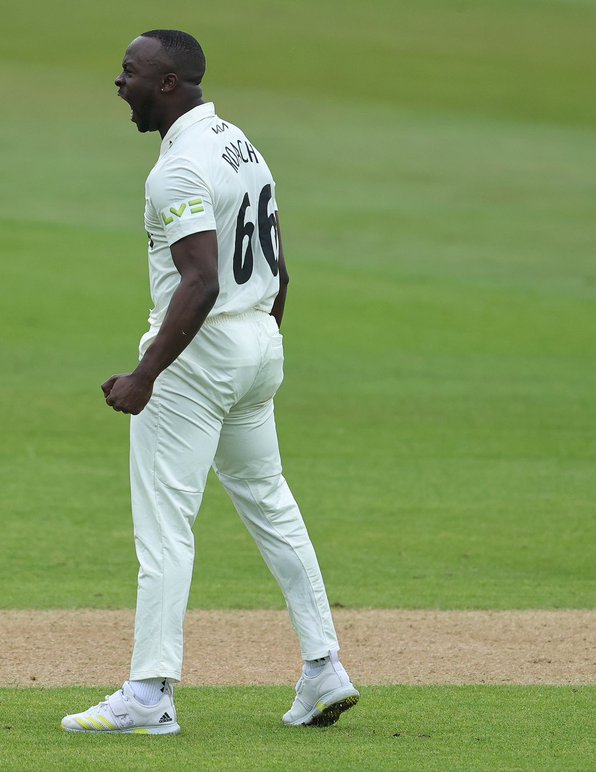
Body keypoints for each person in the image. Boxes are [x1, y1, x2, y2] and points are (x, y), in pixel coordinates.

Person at [61, 30, 358, 735]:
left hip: (201, 352)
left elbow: (199, 281)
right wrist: (260, 343)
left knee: (166, 528)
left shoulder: (179, 169)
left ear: (168, 84)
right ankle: (324, 670)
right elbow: (279, 270)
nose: (119, 82)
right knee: (271, 503)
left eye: (130, 72)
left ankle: (149, 694)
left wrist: (146, 374)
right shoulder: (238, 143)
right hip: (256, 342)